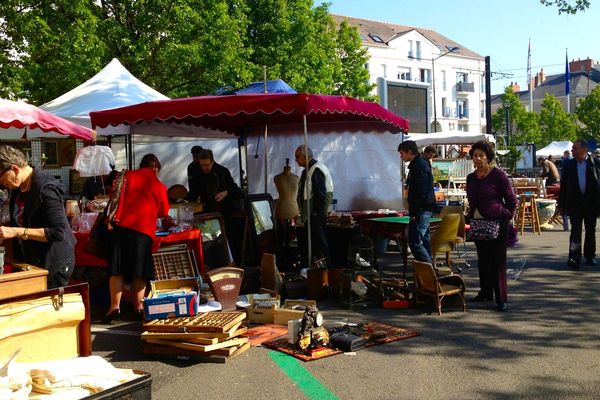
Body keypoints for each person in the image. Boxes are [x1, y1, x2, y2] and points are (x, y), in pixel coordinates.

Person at [101, 154, 170, 323]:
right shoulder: (158, 185)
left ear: (141, 165)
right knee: (140, 271)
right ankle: (138, 307)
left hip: (120, 228)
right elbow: (163, 212)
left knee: (117, 270)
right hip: (143, 232)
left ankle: (114, 308)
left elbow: (114, 197)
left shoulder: (127, 176)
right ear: (156, 168)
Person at [0, 145, 76, 289]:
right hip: (32, 260)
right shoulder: (19, 186)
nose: (1, 183)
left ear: (15, 169)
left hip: (54, 261)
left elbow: (58, 232)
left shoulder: (46, 188)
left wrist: (17, 231)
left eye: (2, 178)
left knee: (47, 308)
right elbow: (24, 218)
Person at [466, 141, 517, 312]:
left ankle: (501, 298)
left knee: (497, 261)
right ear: (471, 158)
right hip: (479, 224)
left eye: (482, 155)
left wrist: (506, 216)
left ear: (488, 157)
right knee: (483, 260)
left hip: (498, 223)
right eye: (475, 155)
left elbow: (511, 200)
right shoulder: (471, 178)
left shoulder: (498, 175)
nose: (478, 158)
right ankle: (485, 292)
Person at [558, 140, 600, 269]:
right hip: (575, 203)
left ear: (584, 150)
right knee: (575, 232)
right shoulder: (569, 165)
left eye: (575, 148)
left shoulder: (596, 163)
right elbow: (563, 186)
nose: (572, 151)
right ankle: (574, 257)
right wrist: (562, 204)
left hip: (591, 203)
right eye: (572, 148)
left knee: (590, 230)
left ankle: (590, 256)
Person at [295, 145, 333, 268]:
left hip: (316, 214)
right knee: (314, 244)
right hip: (312, 214)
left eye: (297, 157)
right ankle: (316, 270)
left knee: (320, 243)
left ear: (306, 157)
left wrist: (316, 212)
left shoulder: (315, 170)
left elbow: (320, 194)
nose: (296, 159)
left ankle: (326, 270)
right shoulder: (308, 170)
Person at [398, 140, 435, 263]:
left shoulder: (419, 166)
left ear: (410, 152)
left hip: (421, 209)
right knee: (423, 240)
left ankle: (428, 272)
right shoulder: (419, 164)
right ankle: (427, 274)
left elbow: (421, 192)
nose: (401, 156)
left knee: (415, 242)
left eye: (402, 153)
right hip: (423, 208)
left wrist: (415, 211)